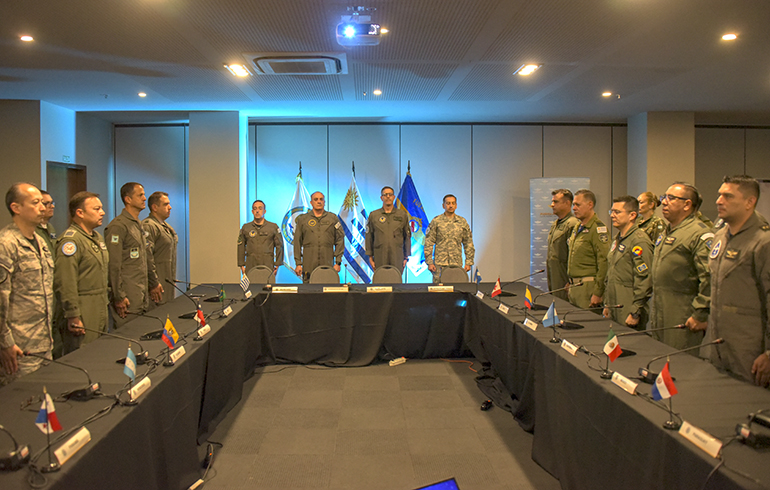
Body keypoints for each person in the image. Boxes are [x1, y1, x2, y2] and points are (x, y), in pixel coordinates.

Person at [702, 176, 770, 386]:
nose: (719, 201)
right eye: (719, 195)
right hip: (718, 345)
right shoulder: (720, 237)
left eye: (728, 196)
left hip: (748, 351)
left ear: (750, 202)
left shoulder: (763, 242)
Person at [0, 183, 53, 385]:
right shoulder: (6, 244)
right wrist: (5, 343)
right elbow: (1, 299)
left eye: (42, 202)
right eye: (35, 203)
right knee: (22, 398)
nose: (42, 207)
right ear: (16, 208)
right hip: (19, 346)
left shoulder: (40, 241)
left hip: (44, 342)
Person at [650, 182, 713, 350]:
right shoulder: (667, 231)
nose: (664, 202)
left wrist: (700, 314)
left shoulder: (699, 233)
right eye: (664, 197)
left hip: (683, 311)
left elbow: (709, 277)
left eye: (671, 198)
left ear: (687, 204)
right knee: (660, 355)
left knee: (679, 359)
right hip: (660, 308)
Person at [54, 192, 108, 354]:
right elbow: (65, 281)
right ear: (80, 213)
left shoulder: (96, 237)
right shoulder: (71, 241)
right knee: (82, 353)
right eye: (97, 209)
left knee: (99, 352)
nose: (102, 212)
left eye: (101, 208)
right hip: (82, 309)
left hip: (100, 304)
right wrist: (73, 314)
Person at [105, 182, 162, 327]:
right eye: (140, 195)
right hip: (128, 299)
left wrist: (153, 283)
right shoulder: (118, 226)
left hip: (141, 295)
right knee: (128, 336)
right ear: (128, 199)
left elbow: (146, 258)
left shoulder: (138, 225)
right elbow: (114, 265)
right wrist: (119, 296)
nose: (144, 198)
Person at [603, 196, 653, 330]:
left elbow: (645, 279)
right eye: (611, 211)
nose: (612, 215)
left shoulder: (639, 241)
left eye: (617, 212)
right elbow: (611, 273)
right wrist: (607, 304)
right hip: (615, 305)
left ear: (632, 215)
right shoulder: (618, 239)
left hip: (629, 306)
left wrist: (635, 311)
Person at [566, 189, 609, 308]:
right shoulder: (577, 227)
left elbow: (604, 262)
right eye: (573, 205)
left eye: (578, 205)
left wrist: (598, 292)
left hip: (588, 289)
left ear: (590, 205)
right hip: (574, 287)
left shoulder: (597, 229)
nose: (574, 208)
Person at [293, 192, 344, 283]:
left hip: (327, 262)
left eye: (321, 199)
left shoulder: (332, 218)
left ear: (324, 202)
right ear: (311, 202)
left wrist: (338, 262)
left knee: (328, 288)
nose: (319, 201)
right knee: (308, 288)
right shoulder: (303, 220)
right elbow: (297, 242)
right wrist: (298, 263)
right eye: (316, 199)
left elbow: (340, 239)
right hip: (309, 263)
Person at [424, 194, 475, 283]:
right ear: (443, 205)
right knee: (438, 290)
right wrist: (429, 262)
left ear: (456, 205)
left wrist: (469, 262)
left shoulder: (462, 222)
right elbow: (429, 242)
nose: (451, 206)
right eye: (448, 203)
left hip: (456, 264)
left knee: (457, 288)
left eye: (453, 203)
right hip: (440, 265)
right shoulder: (436, 221)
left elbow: (468, 243)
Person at [36, 190, 63, 358]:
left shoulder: (50, 229)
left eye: (52, 203)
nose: (51, 206)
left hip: (53, 290)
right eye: (46, 203)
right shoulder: (32, 232)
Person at [143, 191, 178, 305]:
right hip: (156, 286)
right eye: (165, 204)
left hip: (166, 282)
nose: (170, 207)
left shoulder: (166, 227)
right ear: (155, 207)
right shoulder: (149, 226)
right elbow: (147, 257)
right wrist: (153, 283)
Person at [365, 186, 411, 273]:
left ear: (394, 197)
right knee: (380, 278)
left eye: (390, 194)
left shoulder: (402, 215)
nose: (388, 197)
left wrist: (406, 257)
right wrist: (370, 257)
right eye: (385, 195)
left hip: (397, 255)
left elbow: (407, 236)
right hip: (380, 255)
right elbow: (369, 236)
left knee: (396, 279)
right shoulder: (374, 215)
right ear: (381, 198)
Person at [547, 189, 579, 301]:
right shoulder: (556, 224)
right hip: (554, 276)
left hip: (564, 278)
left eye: (555, 202)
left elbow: (574, 255)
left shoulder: (572, 224)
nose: (552, 205)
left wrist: (571, 280)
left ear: (567, 203)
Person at [238, 200, 283, 278]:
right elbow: (240, 247)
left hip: (268, 264)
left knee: (267, 284)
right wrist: (242, 265)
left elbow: (280, 246)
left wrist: (277, 264)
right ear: (252, 211)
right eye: (255, 208)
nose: (257, 211)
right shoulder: (246, 228)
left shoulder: (272, 227)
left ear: (264, 211)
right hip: (251, 264)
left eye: (260, 208)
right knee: (250, 285)